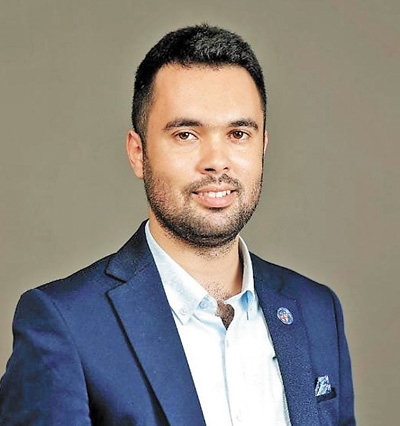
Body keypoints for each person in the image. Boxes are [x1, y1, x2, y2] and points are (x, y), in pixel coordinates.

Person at [0, 24, 355, 425]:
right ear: (138, 153)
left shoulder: (317, 310)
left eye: (238, 133)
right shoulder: (65, 324)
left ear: (263, 147)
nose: (216, 161)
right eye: (186, 134)